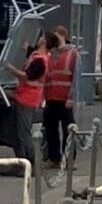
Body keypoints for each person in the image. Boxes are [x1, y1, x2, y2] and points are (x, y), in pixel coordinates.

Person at [40, 29, 78, 172]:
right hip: (51, 97)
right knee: (51, 130)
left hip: (64, 98)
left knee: (68, 129)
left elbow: (75, 77)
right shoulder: (51, 54)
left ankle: (70, 159)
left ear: (62, 36)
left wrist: (71, 97)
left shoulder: (72, 53)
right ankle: (54, 158)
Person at [7, 36, 47, 167]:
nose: (38, 38)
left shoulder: (40, 60)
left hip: (28, 98)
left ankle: (32, 164)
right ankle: (21, 164)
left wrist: (9, 68)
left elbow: (26, 76)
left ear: (44, 42)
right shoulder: (38, 56)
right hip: (24, 96)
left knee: (24, 134)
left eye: (41, 37)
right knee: (19, 134)